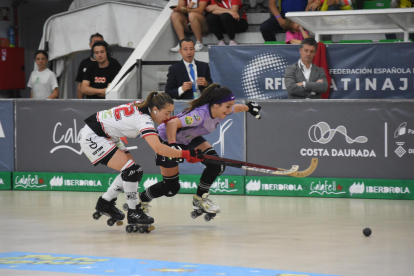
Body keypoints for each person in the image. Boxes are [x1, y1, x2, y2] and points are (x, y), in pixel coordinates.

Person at [78, 92, 203, 232]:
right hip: (94, 136)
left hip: (106, 134)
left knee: (130, 171)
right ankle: (134, 212)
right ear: (155, 109)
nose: (168, 117)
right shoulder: (143, 119)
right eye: (167, 113)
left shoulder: (145, 106)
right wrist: (186, 154)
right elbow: (158, 148)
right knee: (133, 171)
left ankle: (105, 202)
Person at [138, 84, 262, 221]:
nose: (230, 109)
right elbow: (172, 124)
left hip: (189, 138)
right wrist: (173, 146)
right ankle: (141, 201)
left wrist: (249, 107)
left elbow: (236, 108)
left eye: (230, 106)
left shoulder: (222, 110)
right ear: (216, 105)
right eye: (228, 106)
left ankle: (199, 199)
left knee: (217, 164)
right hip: (168, 139)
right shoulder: (198, 115)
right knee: (171, 188)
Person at [76, 33, 121, 99]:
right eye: (96, 53)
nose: (99, 55)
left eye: (102, 52)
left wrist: (91, 90)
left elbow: (109, 91)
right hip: (90, 105)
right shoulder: (89, 67)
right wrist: (100, 91)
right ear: (93, 54)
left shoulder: (114, 67)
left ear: (107, 53)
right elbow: (83, 89)